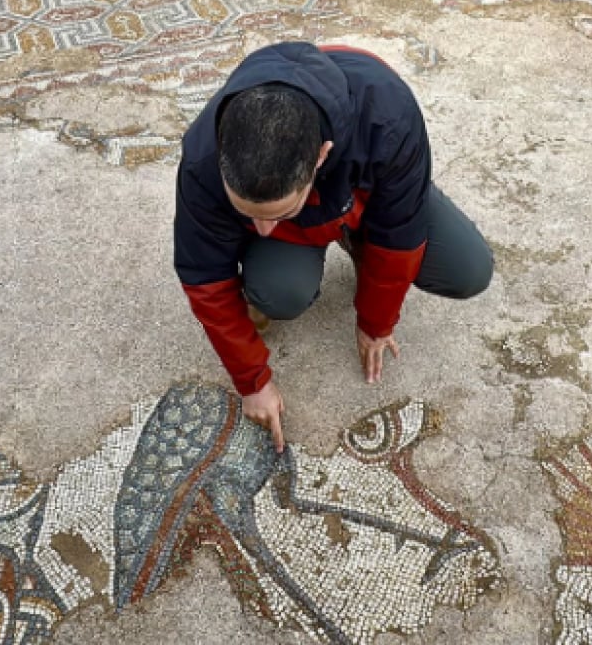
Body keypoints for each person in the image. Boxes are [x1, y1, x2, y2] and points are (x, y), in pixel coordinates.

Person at [174, 42, 494, 452]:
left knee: (468, 270)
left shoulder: (388, 115)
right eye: (247, 213)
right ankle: (328, 234)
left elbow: (400, 233)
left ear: (321, 157)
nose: (261, 231)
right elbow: (205, 277)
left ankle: (355, 237)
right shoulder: (203, 158)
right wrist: (252, 380)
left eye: (276, 212)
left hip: (366, 197)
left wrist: (376, 321)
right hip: (318, 211)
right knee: (279, 293)